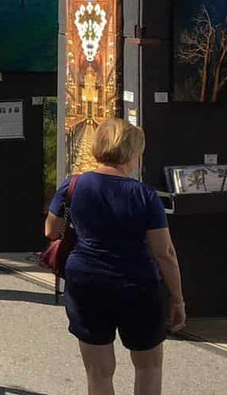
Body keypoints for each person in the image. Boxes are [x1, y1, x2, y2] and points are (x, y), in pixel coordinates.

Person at [45, 118, 185, 395]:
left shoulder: (72, 185)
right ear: (131, 153)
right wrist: (178, 298)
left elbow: (50, 230)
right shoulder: (144, 195)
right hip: (138, 284)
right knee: (148, 367)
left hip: (86, 281)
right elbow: (164, 253)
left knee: (98, 372)